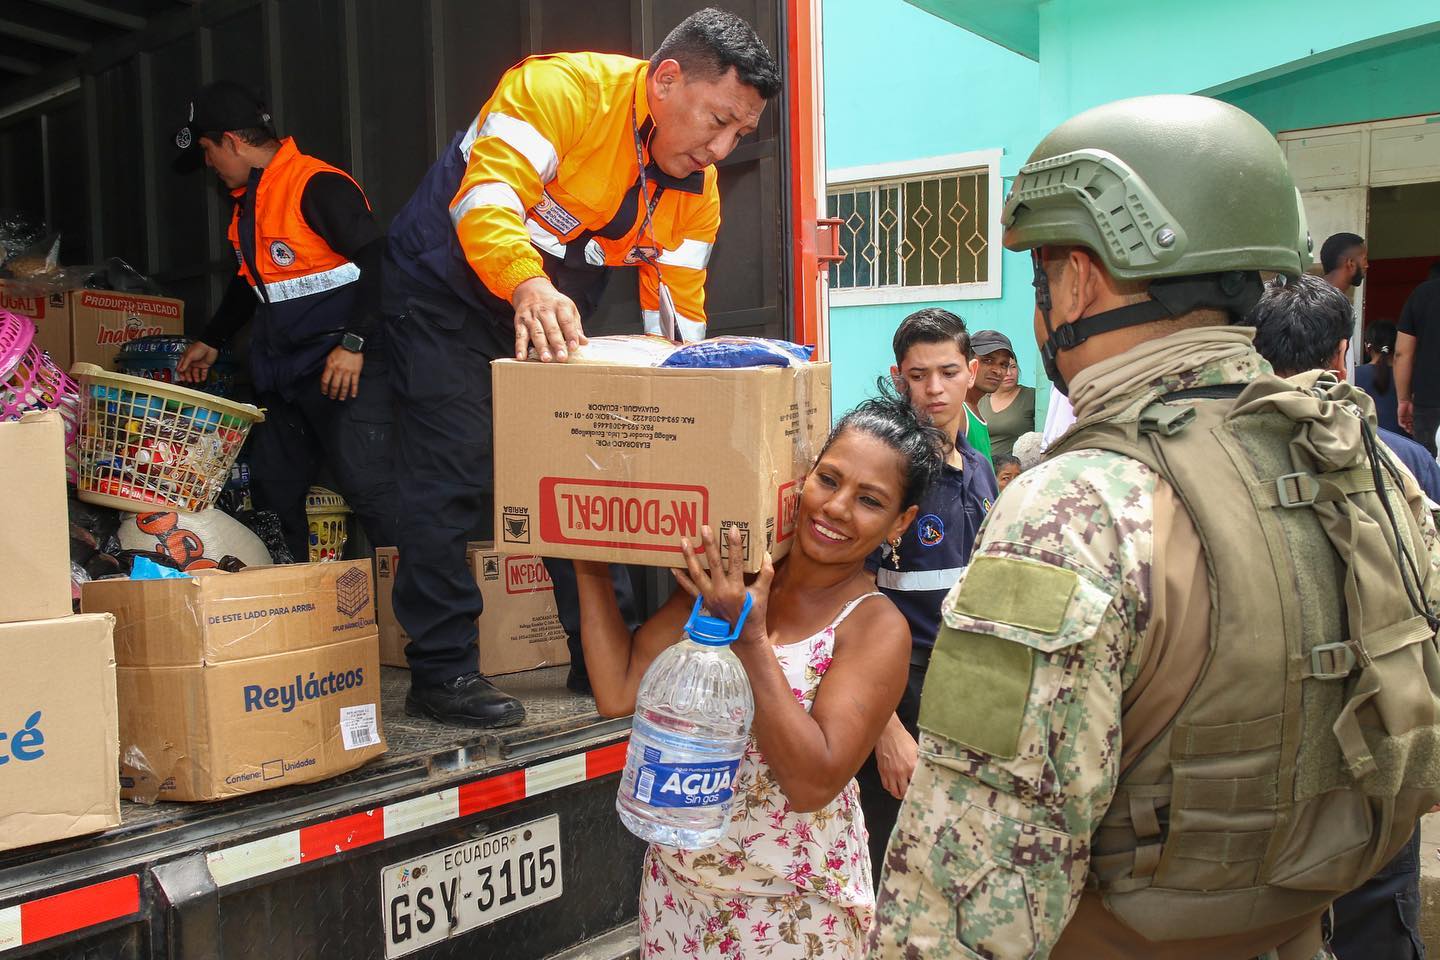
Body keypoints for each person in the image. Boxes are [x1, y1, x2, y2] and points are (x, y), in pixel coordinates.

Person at [869, 94, 1440, 960]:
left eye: (1044, 273)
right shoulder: (1360, 459)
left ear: (1079, 280)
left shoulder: (1075, 506)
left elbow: (974, 886)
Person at [378, 10, 782, 726]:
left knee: (584, 460)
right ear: (666, 80)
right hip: (444, 288)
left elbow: (679, 312)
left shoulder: (696, 189)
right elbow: (488, 198)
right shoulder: (558, 92)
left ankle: (597, 656)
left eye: (740, 136)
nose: (721, 148)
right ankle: (442, 671)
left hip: (551, 299)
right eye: (717, 120)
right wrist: (527, 283)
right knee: (454, 462)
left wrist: (695, 404)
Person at [576, 391, 945, 958]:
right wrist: (588, 560)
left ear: (901, 523)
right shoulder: (736, 577)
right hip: (679, 894)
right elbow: (618, 690)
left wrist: (748, 636)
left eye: (869, 500)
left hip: (789, 911)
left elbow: (812, 782)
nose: (837, 507)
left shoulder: (875, 627)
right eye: (829, 479)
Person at [1249, 270, 1434, 960]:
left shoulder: (1213, 464)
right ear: (1343, 354)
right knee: (1380, 917)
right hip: (1384, 745)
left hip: (1271, 761)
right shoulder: (1403, 461)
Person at [172, 81, 397, 564]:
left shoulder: (315, 184)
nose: (209, 165)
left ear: (232, 141)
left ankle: (418, 627)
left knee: (374, 494)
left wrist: (354, 343)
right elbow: (252, 282)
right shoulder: (250, 203)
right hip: (285, 376)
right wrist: (212, 338)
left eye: (209, 151)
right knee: (273, 497)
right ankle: (297, 612)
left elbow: (380, 260)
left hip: (343, 370)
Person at [856, 309, 998, 890]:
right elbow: (852, 598)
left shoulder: (982, 468)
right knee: (893, 856)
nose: (934, 389)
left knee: (958, 853)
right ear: (898, 377)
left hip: (964, 687)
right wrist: (884, 728)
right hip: (899, 685)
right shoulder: (887, 473)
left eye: (947, 371)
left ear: (973, 372)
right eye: (918, 375)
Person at [1397, 262, 1440, 456]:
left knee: (1429, 475)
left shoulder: (1423, 294)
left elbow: (1402, 353)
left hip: (1430, 404)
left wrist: (1404, 400)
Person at [976, 334, 1037, 457]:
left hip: (1015, 471)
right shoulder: (979, 398)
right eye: (1004, 366)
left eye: (1012, 367)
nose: (1008, 373)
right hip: (985, 469)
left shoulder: (1032, 396)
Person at [1356, 321, 1401, 434]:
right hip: (1403, 445)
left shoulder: (1354, 375)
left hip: (1366, 443)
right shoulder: (1407, 377)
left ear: (1367, 346)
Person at [1321, 231, 1368, 299]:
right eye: (1364, 259)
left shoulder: (1312, 297)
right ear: (1351, 263)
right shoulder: (1328, 304)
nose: (1366, 265)